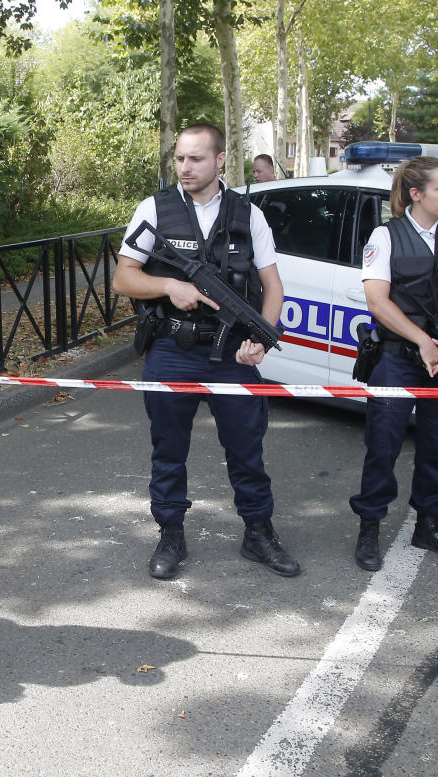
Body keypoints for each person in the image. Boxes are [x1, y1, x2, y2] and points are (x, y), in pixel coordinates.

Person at [112, 123, 296, 580]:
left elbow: (272, 286)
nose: (185, 167)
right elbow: (123, 278)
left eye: (196, 158)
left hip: (233, 352)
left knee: (246, 446)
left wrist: (262, 338)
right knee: (168, 448)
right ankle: (171, 533)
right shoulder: (154, 209)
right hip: (173, 347)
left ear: (220, 161)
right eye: (179, 158)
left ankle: (258, 532)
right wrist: (169, 285)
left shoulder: (248, 214)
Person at [349, 156, 438, 570]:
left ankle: (429, 523)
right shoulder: (386, 236)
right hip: (398, 359)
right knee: (383, 446)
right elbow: (377, 301)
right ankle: (369, 527)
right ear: (416, 194)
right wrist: (423, 341)